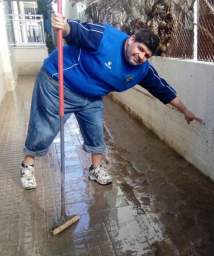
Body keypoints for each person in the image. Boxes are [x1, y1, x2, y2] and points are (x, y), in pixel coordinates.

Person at [20, 13, 202, 189]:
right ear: (131, 39)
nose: (141, 57)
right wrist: (64, 26)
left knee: (96, 131)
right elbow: (77, 31)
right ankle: (27, 167)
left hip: (90, 96)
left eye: (147, 55)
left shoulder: (142, 70)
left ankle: (95, 169)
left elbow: (161, 89)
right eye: (140, 49)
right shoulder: (104, 36)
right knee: (44, 128)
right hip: (58, 82)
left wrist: (184, 110)